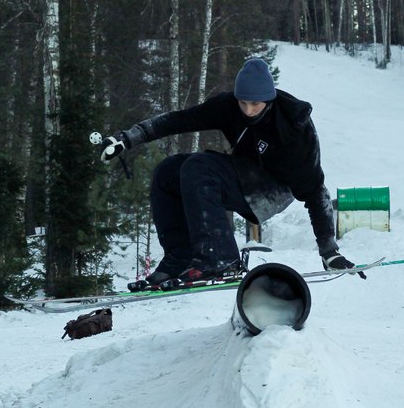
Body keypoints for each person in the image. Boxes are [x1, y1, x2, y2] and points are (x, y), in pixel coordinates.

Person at [98, 57, 363, 289]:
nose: (248, 111)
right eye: (243, 103)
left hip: (274, 191)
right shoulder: (227, 107)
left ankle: (220, 258)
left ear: (269, 100)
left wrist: (329, 251)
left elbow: (316, 190)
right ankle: (179, 259)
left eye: (255, 105)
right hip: (244, 174)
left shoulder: (294, 128)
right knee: (168, 171)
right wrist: (126, 139)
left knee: (198, 166)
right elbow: (179, 119)